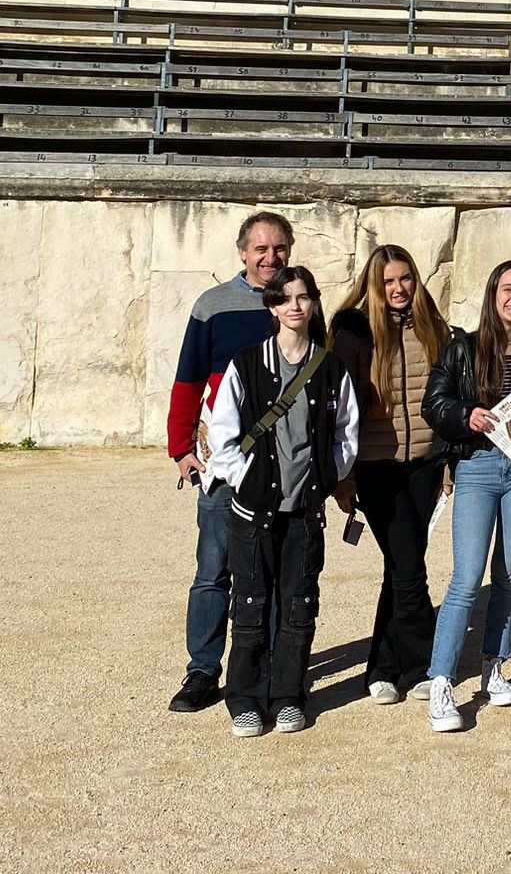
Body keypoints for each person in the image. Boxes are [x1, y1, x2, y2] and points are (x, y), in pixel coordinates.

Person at [206, 266, 361, 738]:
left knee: (299, 604)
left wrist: (326, 475)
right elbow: (222, 434)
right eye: (285, 298)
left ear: (314, 304)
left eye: (303, 297)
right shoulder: (247, 363)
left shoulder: (331, 367)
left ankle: (290, 694)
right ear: (272, 307)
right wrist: (245, 477)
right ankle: (246, 698)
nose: (295, 306)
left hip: (304, 510)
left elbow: (346, 434)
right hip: (253, 510)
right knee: (251, 604)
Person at [419, 259, 511, 734]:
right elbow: (433, 402)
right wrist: (468, 414)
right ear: (492, 292)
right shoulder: (465, 347)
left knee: (510, 574)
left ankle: (493, 667)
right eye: (507, 289)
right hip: (478, 466)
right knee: (466, 577)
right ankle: (440, 680)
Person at [164, 211, 296, 715]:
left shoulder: (298, 303)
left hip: (283, 464)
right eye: (260, 249)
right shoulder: (213, 306)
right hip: (223, 463)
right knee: (214, 568)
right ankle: (202, 670)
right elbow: (188, 381)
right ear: (242, 253)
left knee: (275, 569)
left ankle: (266, 667)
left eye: (279, 248)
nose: (270, 258)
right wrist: (181, 450)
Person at [330, 244, 450, 705]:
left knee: (401, 567)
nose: (398, 289)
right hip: (376, 467)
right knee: (408, 566)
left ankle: (382, 668)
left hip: (425, 463)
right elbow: (338, 408)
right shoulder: (355, 332)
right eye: (388, 282)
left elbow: (447, 395)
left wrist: (448, 461)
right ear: (374, 287)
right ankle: (422, 665)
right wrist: (341, 476)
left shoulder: (433, 328)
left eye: (406, 279)